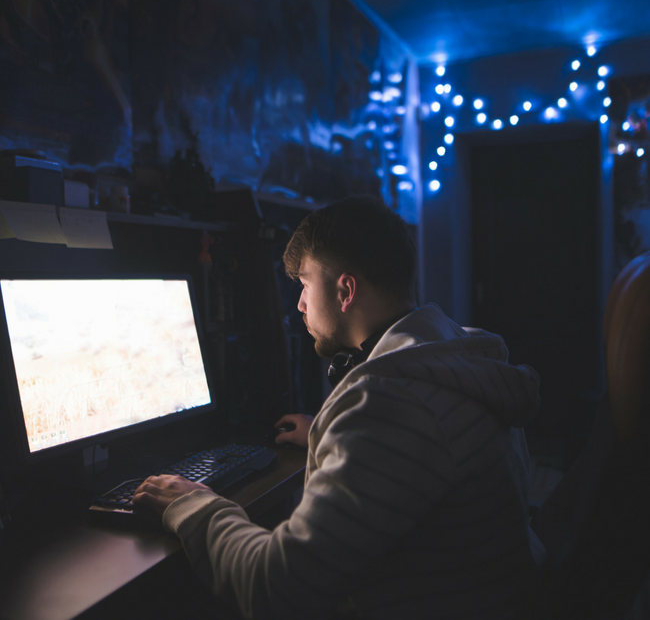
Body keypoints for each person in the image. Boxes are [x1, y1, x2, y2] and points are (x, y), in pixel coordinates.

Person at [134, 195, 545, 619]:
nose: (299, 305)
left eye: (305, 284)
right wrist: (330, 433)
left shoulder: (387, 406)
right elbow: (414, 449)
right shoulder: (454, 356)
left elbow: (276, 589)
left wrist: (193, 503)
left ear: (345, 290)